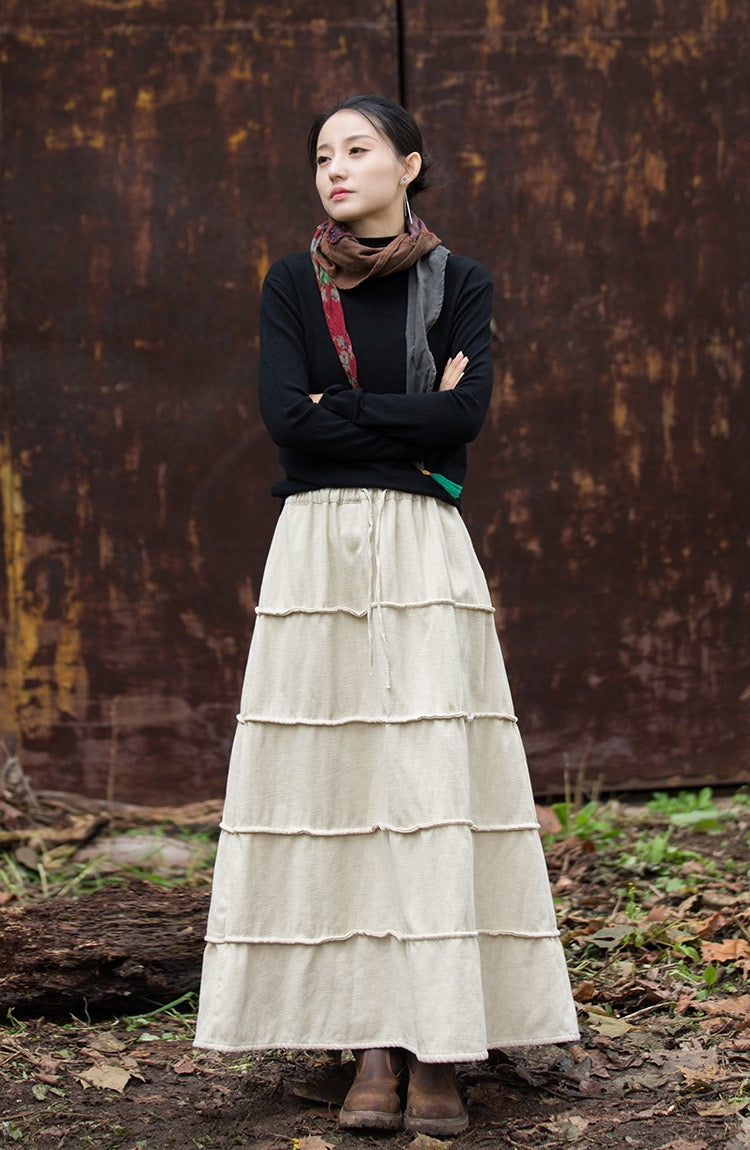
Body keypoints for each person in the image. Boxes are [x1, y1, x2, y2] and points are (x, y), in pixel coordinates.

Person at [193, 93, 579, 1136]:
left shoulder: (462, 282)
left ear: (408, 164)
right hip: (317, 547)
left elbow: (466, 419)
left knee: (429, 779)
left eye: (356, 149)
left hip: (421, 545)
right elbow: (286, 422)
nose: (334, 168)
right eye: (321, 153)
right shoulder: (291, 281)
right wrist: (408, 422)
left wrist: (346, 413)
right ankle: (370, 1038)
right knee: (342, 781)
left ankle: (440, 1040)